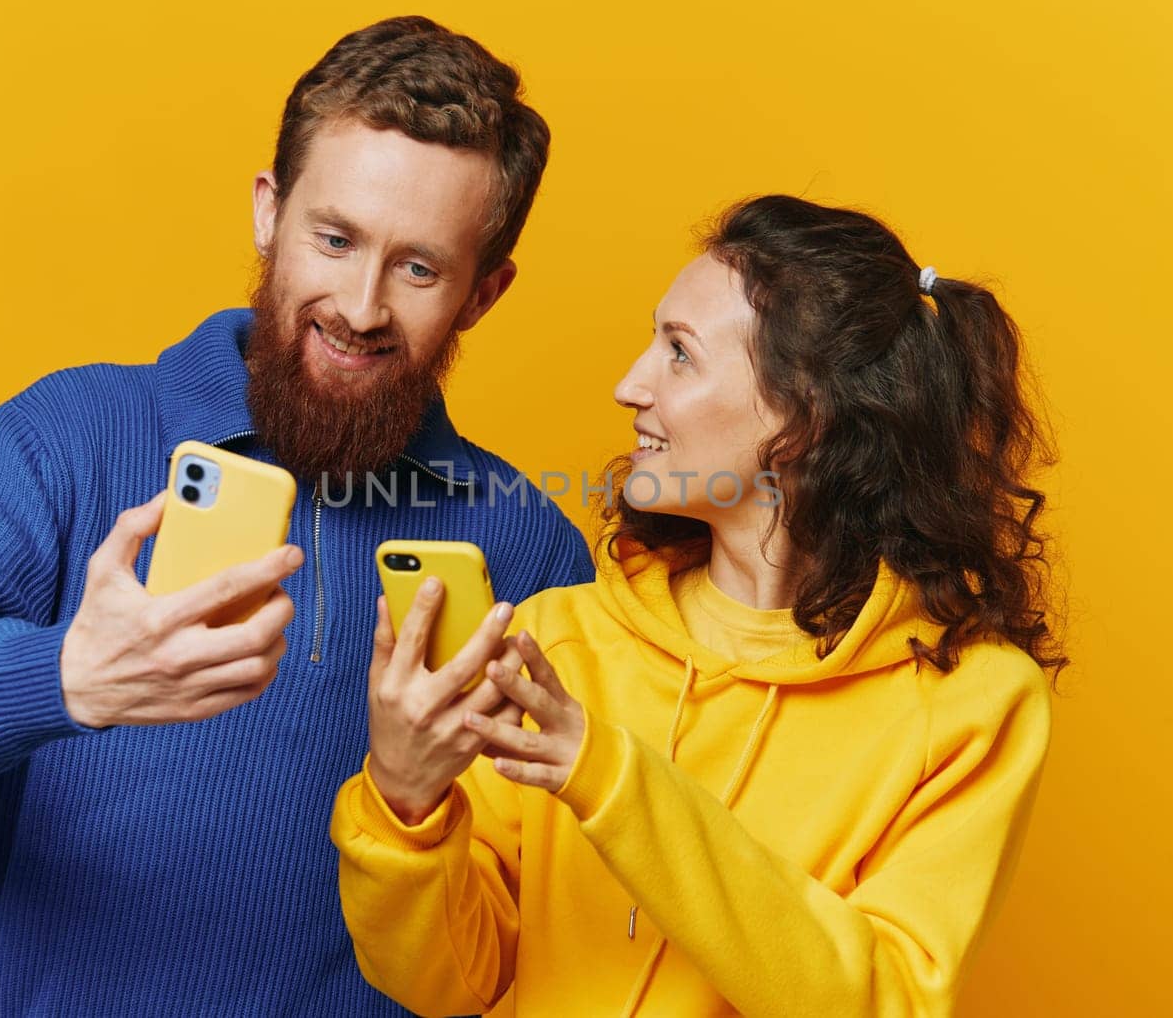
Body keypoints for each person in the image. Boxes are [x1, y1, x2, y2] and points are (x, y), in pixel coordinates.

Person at [0, 16, 593, 1016]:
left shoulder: (527, 540)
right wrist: (68, 676)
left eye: (418, 268)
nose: (358, 305)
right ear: (269, 213)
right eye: (334, 237)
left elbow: (541, 920)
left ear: (483, 293)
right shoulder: (79, 430)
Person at [332, 194, 1064, 1016]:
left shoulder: (972, 705)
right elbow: (445, 982)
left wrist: (610, 779)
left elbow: (883, 999)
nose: (628, 385)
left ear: (808, 413)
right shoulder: (560, 645)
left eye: (679, 353)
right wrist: (404, 803)